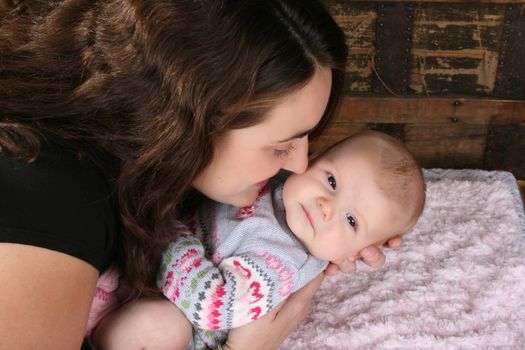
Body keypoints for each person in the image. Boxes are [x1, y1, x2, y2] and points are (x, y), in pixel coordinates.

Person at [0, 1, 400, 349]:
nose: (299, 165)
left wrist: (341, 225)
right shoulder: (49, 202)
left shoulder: (149, 158)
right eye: (281, 146)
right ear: (186, 123)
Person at [91, 130, 425, 350]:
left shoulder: (279, 265)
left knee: (159, 328)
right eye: (332, 181)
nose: (326, 206)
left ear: (357, 252)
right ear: (314, 160)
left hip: (184, 317)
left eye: (351, 220)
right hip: (148, 275)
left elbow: (213, 305)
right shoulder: (283, 187)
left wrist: (168, 233)